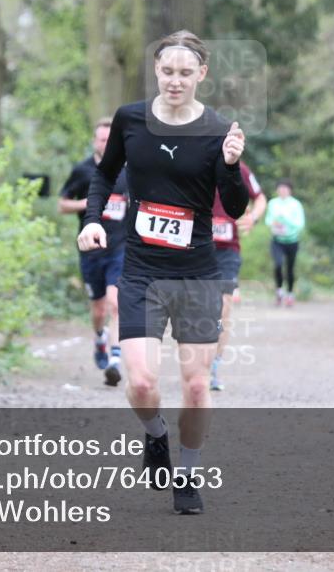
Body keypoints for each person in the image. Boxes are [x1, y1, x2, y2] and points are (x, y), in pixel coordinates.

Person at [78, 30, 248, 515]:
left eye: (185, 73)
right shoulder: (132, 119)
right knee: (143, 382)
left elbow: (233, 209)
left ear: (202, 75)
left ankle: (188, 473)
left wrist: (231, 166)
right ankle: (155, 435)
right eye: (168, 71)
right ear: (157, 71)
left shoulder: (218, 130)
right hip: (141, 270)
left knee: (196, 385)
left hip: (196, 272)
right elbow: (105, 174)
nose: (175, 81)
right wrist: (92, 221)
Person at [59, 118, 128, 387]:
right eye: (101, 139)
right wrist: (86, 204)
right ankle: (100, 337)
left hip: (120, 249)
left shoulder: (128, 172)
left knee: (115, 303)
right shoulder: (83, 171)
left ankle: (114, 359)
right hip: (90, 251)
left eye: (110, 140)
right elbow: (61, 205)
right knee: (99, 309)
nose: (105, 144)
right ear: (94, 141)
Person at [210, 161, 266, 391]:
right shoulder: (194, 159)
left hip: (227, 251)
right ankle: (197, 360)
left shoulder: (240, 169)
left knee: (223, 306)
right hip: (194, 248)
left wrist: (253, 218)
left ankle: (214, 365)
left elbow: (261, 198)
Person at [265, 179, 305, 307]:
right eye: (280, 188)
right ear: (277, 190)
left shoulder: (296, 204)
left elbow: (300, 224)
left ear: (290, 190)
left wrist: (285, 218)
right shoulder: (272, 203)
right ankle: (279, 291)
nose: (282, 191)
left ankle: (290, 294)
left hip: (292, 241)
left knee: (290, 268)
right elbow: (268, 220)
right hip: (277, 240)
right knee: (278, 264)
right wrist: (273, 223)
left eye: (285, 188)